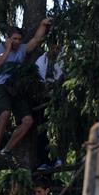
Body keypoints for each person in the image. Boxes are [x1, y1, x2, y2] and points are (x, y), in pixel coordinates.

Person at [0, 18, 52, 164]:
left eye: (19, 39)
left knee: (28, 121)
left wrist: (42, 24)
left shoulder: (22, 48)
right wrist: (8, 49)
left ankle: (7, 149)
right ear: (8, 39)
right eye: (14, 39)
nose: (17, 41)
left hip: (15, 88)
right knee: (4, 113)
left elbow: (36, 40)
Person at [35, 42, 65, 170]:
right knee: (43, 132)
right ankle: (44, 161)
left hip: (57, 99)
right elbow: (38, 80)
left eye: (58, 48)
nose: (55, 50)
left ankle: (57, 159)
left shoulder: (62, 60)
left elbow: (62, 78)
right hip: (43, 100)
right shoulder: (42, 60)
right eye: (54, 47)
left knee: (57, 132)